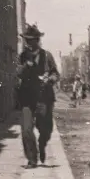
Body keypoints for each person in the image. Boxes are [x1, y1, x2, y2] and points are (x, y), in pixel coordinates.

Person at [16, 23, 59, 167]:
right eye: (27, 40)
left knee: (46, 129)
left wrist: (50, 79)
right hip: (27, 98)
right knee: (26, 129)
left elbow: (55, 73)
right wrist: (26, 65)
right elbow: (17, 73)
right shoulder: (22, 56)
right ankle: (32, 159)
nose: (29, 43)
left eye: (32, 40)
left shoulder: (47, 56)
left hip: (43, 97)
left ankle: (41, 145)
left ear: (37, 41)